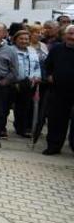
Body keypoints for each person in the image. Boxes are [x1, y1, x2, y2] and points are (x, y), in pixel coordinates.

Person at [43, 25, 74, 155]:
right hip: (58, 91)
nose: (72, 37)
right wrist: (49, 75)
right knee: (56, 120)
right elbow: (47, 65)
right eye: (70, 33)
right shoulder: (57, 49)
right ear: (64, 35)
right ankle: (54, 146)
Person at [9, 30, 41, 138]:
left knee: (24, 107)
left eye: (26, 39)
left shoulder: (32, 51)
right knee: (5, 107)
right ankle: (0, 128)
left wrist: (36, 77)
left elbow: (36, 66)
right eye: (21, 39)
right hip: (13, 83)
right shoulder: (9, 50)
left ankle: (21, 128)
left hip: (28, 83)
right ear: (15, 40)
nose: (24, 41)